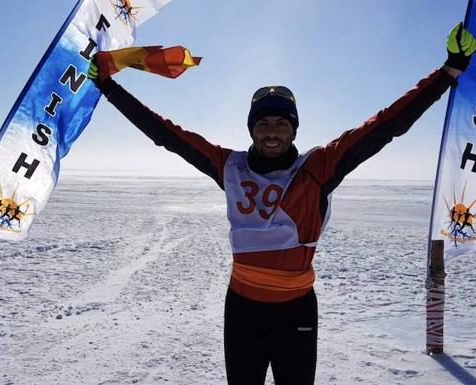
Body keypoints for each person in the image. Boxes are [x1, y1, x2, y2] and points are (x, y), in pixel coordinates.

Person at [87, 23, 476, 385]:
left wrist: (447, 73)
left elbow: (386, 125)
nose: (272, 132)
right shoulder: (229, 166)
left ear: (293, 130)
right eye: (263, 124)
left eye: (281, 124)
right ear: (251, 129)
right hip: (242, 310)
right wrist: (110, 88)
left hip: (296, 312)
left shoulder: (319, 167)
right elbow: (164, 133)